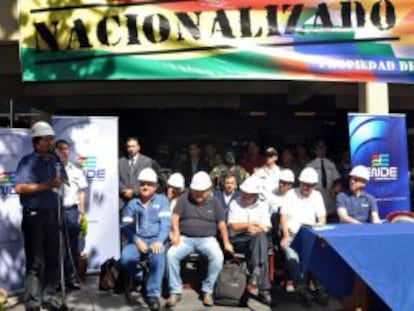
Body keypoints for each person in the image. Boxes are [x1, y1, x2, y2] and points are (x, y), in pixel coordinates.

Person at [14, 121, 66, 311]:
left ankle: (49, 296)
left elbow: (62, 181)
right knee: (35, 261)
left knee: (53, 257)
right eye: (47, 139)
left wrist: (62, 165)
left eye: (51, 139)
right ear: (37, 142)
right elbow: (19, 188)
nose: (51, 142)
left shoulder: (54, 160)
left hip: (52, 214)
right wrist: (47, 185)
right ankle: (33, 302)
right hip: (34, 216)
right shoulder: (27, 161)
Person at [166, 171, 234, 307]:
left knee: (217, 256)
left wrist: (226, 242)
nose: (198, 194)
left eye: (202, 192)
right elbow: (175, 217)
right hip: (185, 238)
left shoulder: (215, 202)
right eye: (196, 191)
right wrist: (176, 233)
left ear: (209, 190)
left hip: (207, 239)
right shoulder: (184, 198)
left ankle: (208, 290)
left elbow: (221, 223)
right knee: (171, 254)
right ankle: (175, 291)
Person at [119, 168, 171, 311]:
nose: (145, 187)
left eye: (149, 184)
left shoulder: (162, 201)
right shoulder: (132, 203)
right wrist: (136, 240)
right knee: (125, 259)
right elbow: (124, 226)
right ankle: (141, 276)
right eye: (142, 184)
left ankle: (153, 294)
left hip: (156, 239)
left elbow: (166, 224)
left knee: (158, 258)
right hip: (138, 240)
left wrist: (160, 240)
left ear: (155, 186)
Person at [279, 167, 329, 307]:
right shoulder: (290, 194)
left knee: (317, 255)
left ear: (314, 185)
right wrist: (285, 236)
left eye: (309, 184)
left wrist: (320, 231)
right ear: (300, 182)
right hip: (292, 234)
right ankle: (302, 289)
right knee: (292, 257)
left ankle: (320, 288)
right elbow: (283, 216)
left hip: (310, 234)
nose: (306, 186)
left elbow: (322, 217)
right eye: (304, 183)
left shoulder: (317, 196)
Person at [227, 176, 272, 306]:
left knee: (260, 238)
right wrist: (249, 225)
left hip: (256, 238)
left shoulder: (263, 205)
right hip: (239, 238)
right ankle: (264, 289)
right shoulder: (235, 203)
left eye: (249, 194)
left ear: (255, 194)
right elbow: (233, 226)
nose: (245, 196)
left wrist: (257, 228)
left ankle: (256, 272)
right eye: (244, 193)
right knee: (261, 244)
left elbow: (267, 226)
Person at [55, 139, 88, 290]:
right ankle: (56, 280)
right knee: (55, 246)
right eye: (61, 149)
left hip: (71, 211)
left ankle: (71, 278)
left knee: (72, 247)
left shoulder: (75, 170)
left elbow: (82, 192)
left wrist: (81, 212)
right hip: (54, 211)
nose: (64, 151)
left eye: (66, 149)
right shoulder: (50, 169)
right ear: (55, 151)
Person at [307, 140, 340, 220]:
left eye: (323, 148)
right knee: (317, 215)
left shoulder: (330, 164)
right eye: (319, 148)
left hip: (329, 193)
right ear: (315, 150)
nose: (321, 150)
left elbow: (337, 179)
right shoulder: (310, 165)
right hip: (315, 192)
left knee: (330, 215)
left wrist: (335, 190)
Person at [119, 137, 153, 210]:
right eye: (129, 146)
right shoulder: (120, 161)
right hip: (123, 201)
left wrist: (133, 191)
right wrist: (124, 190)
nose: (131, 149)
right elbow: (116, 179)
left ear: (138, 147)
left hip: (139, 199)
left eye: (133, 146)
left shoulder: (146, 161)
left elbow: (148, 180)